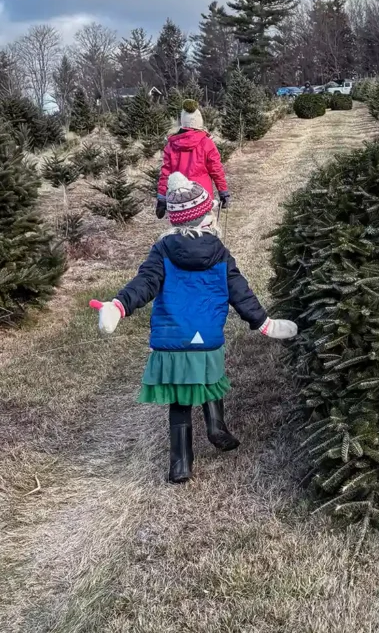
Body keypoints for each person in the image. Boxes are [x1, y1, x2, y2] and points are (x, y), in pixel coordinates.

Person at [90, 172, 297, 483]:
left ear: (174, 220)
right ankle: (217, 429)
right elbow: (240, 292)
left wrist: (118, 306)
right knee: (210, 382)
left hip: (173, 339)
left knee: (180, 401)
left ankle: (181, 465)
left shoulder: (161, 252)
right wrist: (263, 322)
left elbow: (144, 284)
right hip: (208, 338)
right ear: (206, 215)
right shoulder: (219, 253)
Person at [156, 99, 229, 220]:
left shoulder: (171, 146)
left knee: (183, 233)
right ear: (199, 122)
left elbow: (165, 174)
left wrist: (162, 197)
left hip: (180, 201)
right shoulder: (207, 143)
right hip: (202, 198)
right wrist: (223, 191)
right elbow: (216, 170)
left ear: (183, 122)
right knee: (204, 231)